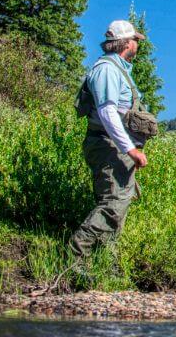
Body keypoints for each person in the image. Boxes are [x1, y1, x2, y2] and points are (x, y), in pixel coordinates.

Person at [69, 19, 148, 259]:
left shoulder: (117, 69)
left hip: (113, 147)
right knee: (113, 204)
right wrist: (129, 149)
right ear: (126, 43)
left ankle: (106, 265)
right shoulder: (107, 70)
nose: (138, 44)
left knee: (118, 206)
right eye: (135, 40)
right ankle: (76, 254)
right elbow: (106, 111)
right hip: (107, 145)